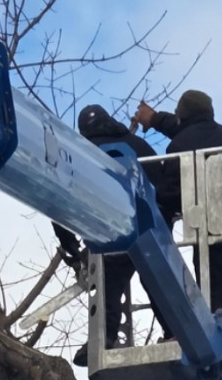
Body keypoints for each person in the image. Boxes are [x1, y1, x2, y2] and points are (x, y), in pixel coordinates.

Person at [134, 89, 222, 323]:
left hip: (210, 232)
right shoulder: (219, 134)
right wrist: (154, 119)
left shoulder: (179, 147)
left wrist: (157, 203)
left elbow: (172, 194)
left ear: (182, 116)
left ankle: (216, 349)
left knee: (211, 301)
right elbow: (186, 129)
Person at [72, 105, 176, 362]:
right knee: (155, 277)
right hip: (150, 222)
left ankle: (104, 337)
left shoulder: (81, 153)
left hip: (112, 229)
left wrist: (72, 250)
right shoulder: (136, 145)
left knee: (108, 281)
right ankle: (174, 330)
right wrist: (167, 214)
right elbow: (162, 182)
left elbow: (64, 198)